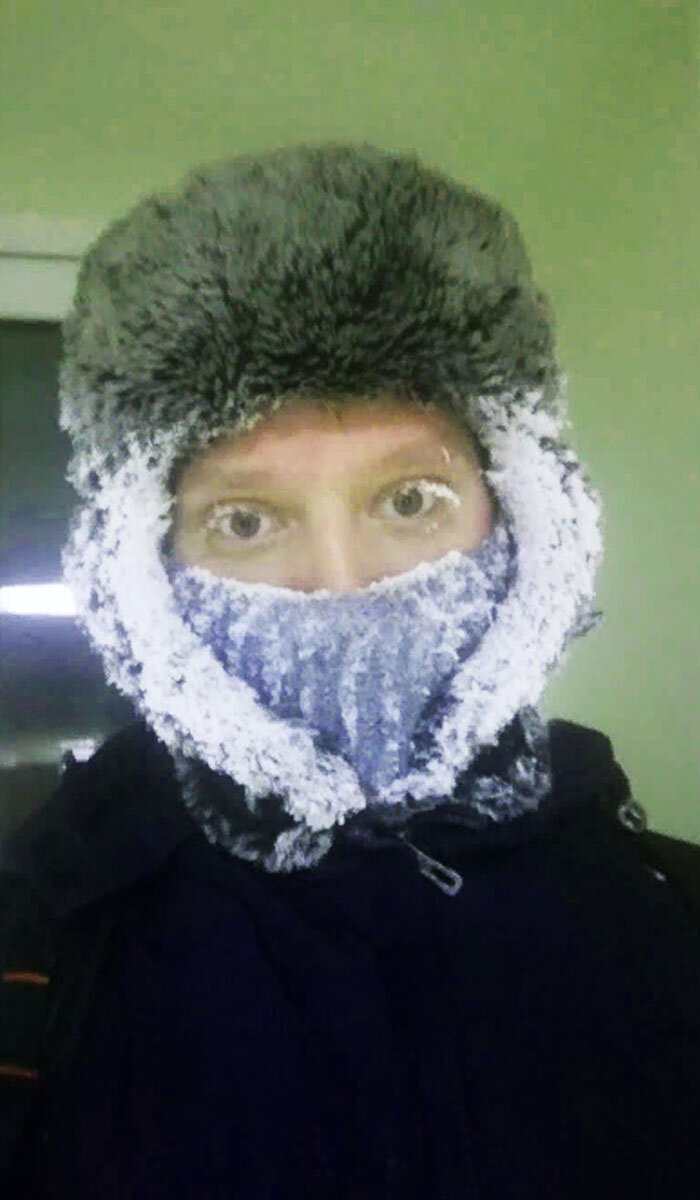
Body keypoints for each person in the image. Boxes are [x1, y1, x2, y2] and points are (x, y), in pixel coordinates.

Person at [1, 141, 699, 1198]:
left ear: (523, 519)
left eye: (410, 500)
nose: (339, 584)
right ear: (146, 567)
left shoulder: (675, 918)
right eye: (245, 520)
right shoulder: (39, 950)